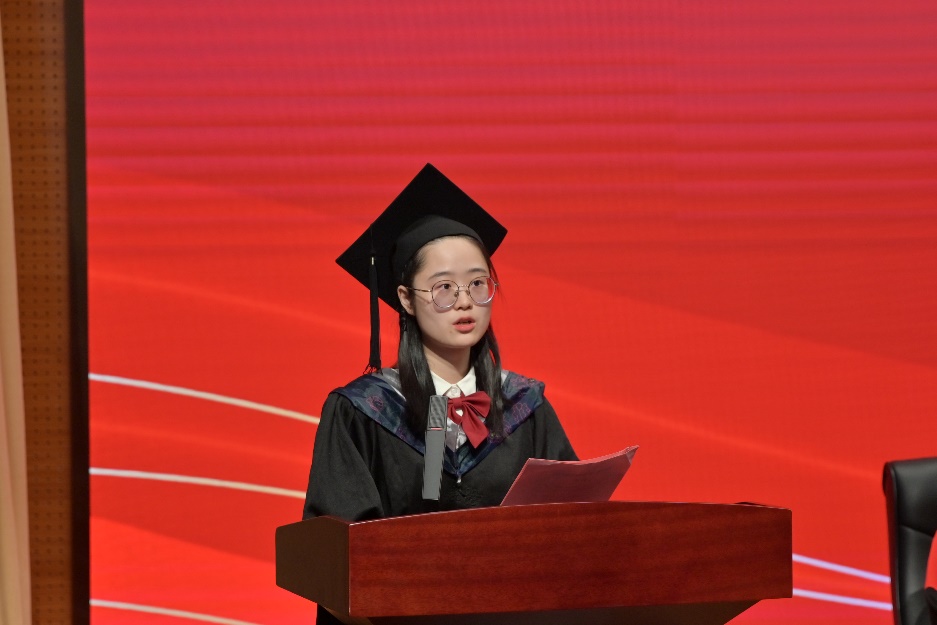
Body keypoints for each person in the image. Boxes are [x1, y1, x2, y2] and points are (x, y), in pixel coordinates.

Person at [302, 164, 577, 622]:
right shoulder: (363, 411)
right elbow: (336, 553)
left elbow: (575, 528)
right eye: (444, 288)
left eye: (477, 284)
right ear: (405, 299)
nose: (465, 301)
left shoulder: (525, 406)